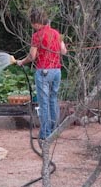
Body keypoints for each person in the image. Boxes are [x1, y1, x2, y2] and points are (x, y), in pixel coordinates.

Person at [16, 8, 67, 140]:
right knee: (53, 100)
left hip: (44, 72)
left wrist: (22, 62)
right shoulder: (56, 33)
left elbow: (32, 56)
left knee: (44, 102)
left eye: (32, 23)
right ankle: (54, 131)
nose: (32, 26)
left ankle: (45, 134)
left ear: (36, 22)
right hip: (57, 71)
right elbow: (64, 51)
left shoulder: (37, 35)